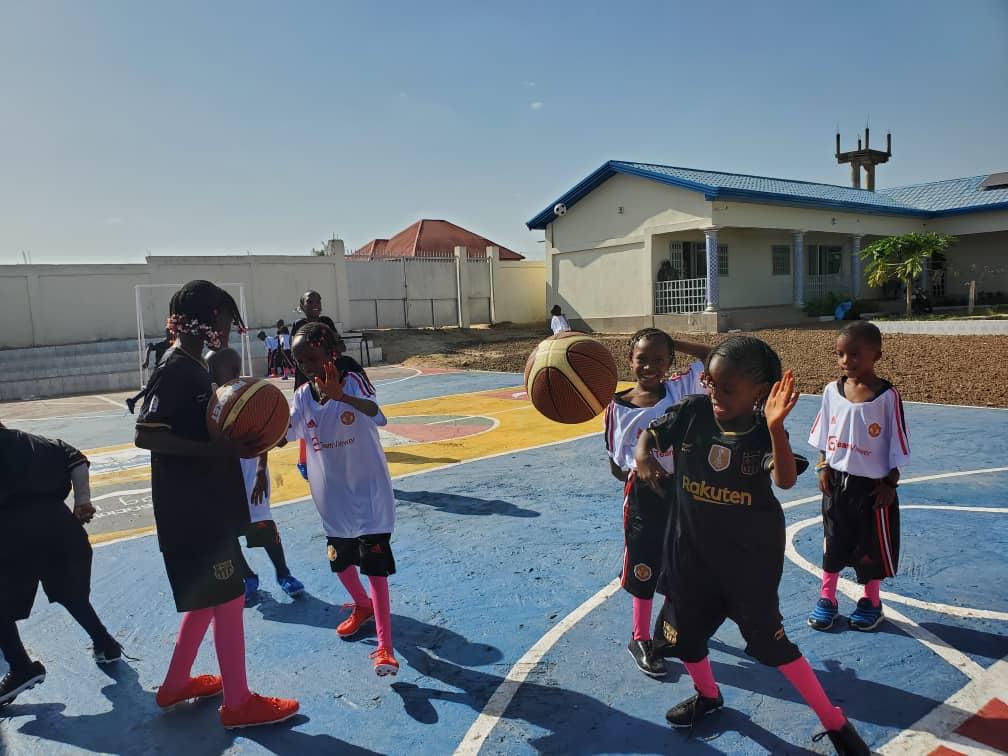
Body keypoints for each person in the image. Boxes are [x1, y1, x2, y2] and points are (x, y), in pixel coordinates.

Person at [635, 336, 869, 755]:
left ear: (759, 393)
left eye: (728, 389)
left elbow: (783, 479)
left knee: (772, 646)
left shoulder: (762, 433)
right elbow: (650, 435)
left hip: (747, 566)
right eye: (711, 385)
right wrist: (642, 454)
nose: (716, 395)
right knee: (685, 639)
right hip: (691, 559)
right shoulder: (692, 413)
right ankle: (709, 696)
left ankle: (835, 722)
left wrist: (777, 428)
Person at [133, 280, 298, 728]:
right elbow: (146, 432)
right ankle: (239, 703)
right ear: (204, 320)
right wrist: (218, 450)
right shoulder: (177, 368)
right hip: (195, 515)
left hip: (197, 509)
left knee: (209, 601)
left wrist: (250, 438)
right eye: (223, 318)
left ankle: (174, 685)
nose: (227, 327)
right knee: (227, 602)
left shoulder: (190, 366)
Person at [288, 322, 399, 676]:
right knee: (340, 563)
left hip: (369, 495)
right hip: (332, 500)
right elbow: (286, 433)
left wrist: (342, 397)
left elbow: (378, 416)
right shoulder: (303, 395)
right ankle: (362, 606)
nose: (305, 365)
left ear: (330, 353)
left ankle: (385, 649)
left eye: (310, 357)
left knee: (375, 569)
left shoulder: (351, 380)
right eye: (299, 360)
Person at [603, 328, 710, 677]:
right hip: (644, 496)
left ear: (670, 362)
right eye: (642, 358)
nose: (650, 365)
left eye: (659, 359)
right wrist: (643, 473)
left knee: (680, 561)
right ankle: (640, 637)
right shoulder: (617, 406)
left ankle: (668, 626)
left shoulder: (679, 388)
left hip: (684, 490)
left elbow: (711, 357)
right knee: (645, 563)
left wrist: (671, 341)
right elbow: (617, 465)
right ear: (629, 360)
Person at [0, 422, 122, 707]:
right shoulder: (38, 442)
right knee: (72, 595)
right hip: (61, 528)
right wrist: (82, 500)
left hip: (14, 534)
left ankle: (21, 667)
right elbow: (77, 460)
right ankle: (106, 643)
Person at [807, 321, 910, 633]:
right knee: (834, 541)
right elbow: (824, 433)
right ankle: (827, 598)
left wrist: (890, 483)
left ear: (876, 355)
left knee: (870, 547)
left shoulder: (887, 396)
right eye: (840, 354)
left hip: (871, 487)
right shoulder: (831, 391)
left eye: (854, 354)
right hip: (837, 483)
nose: (845, 361)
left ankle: (871, 601)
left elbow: (897, 442)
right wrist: (823, 465)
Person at [207, 348, 305, 607]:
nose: (209, 374)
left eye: (213, 368)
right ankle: (247, 576)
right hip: (222, 476)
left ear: (234, 371)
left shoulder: (250, 395)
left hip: (250, 471)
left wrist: (262, 470)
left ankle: (283, 573)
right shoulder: (210, 399)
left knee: (262, 523)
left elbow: (264, 436)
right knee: (228, 532)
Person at [290, 291, 340, 479]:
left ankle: (330, 452)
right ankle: (304, 459)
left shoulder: (326, 322)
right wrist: (310, 377)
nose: (315, 304)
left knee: (329, 417)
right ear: (302, 306)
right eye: (310, 301)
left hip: (327, 378)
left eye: (318, 300)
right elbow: (295, 354)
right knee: (305, 420)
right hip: (306, 379)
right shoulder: (299, 325)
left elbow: (338, 346)